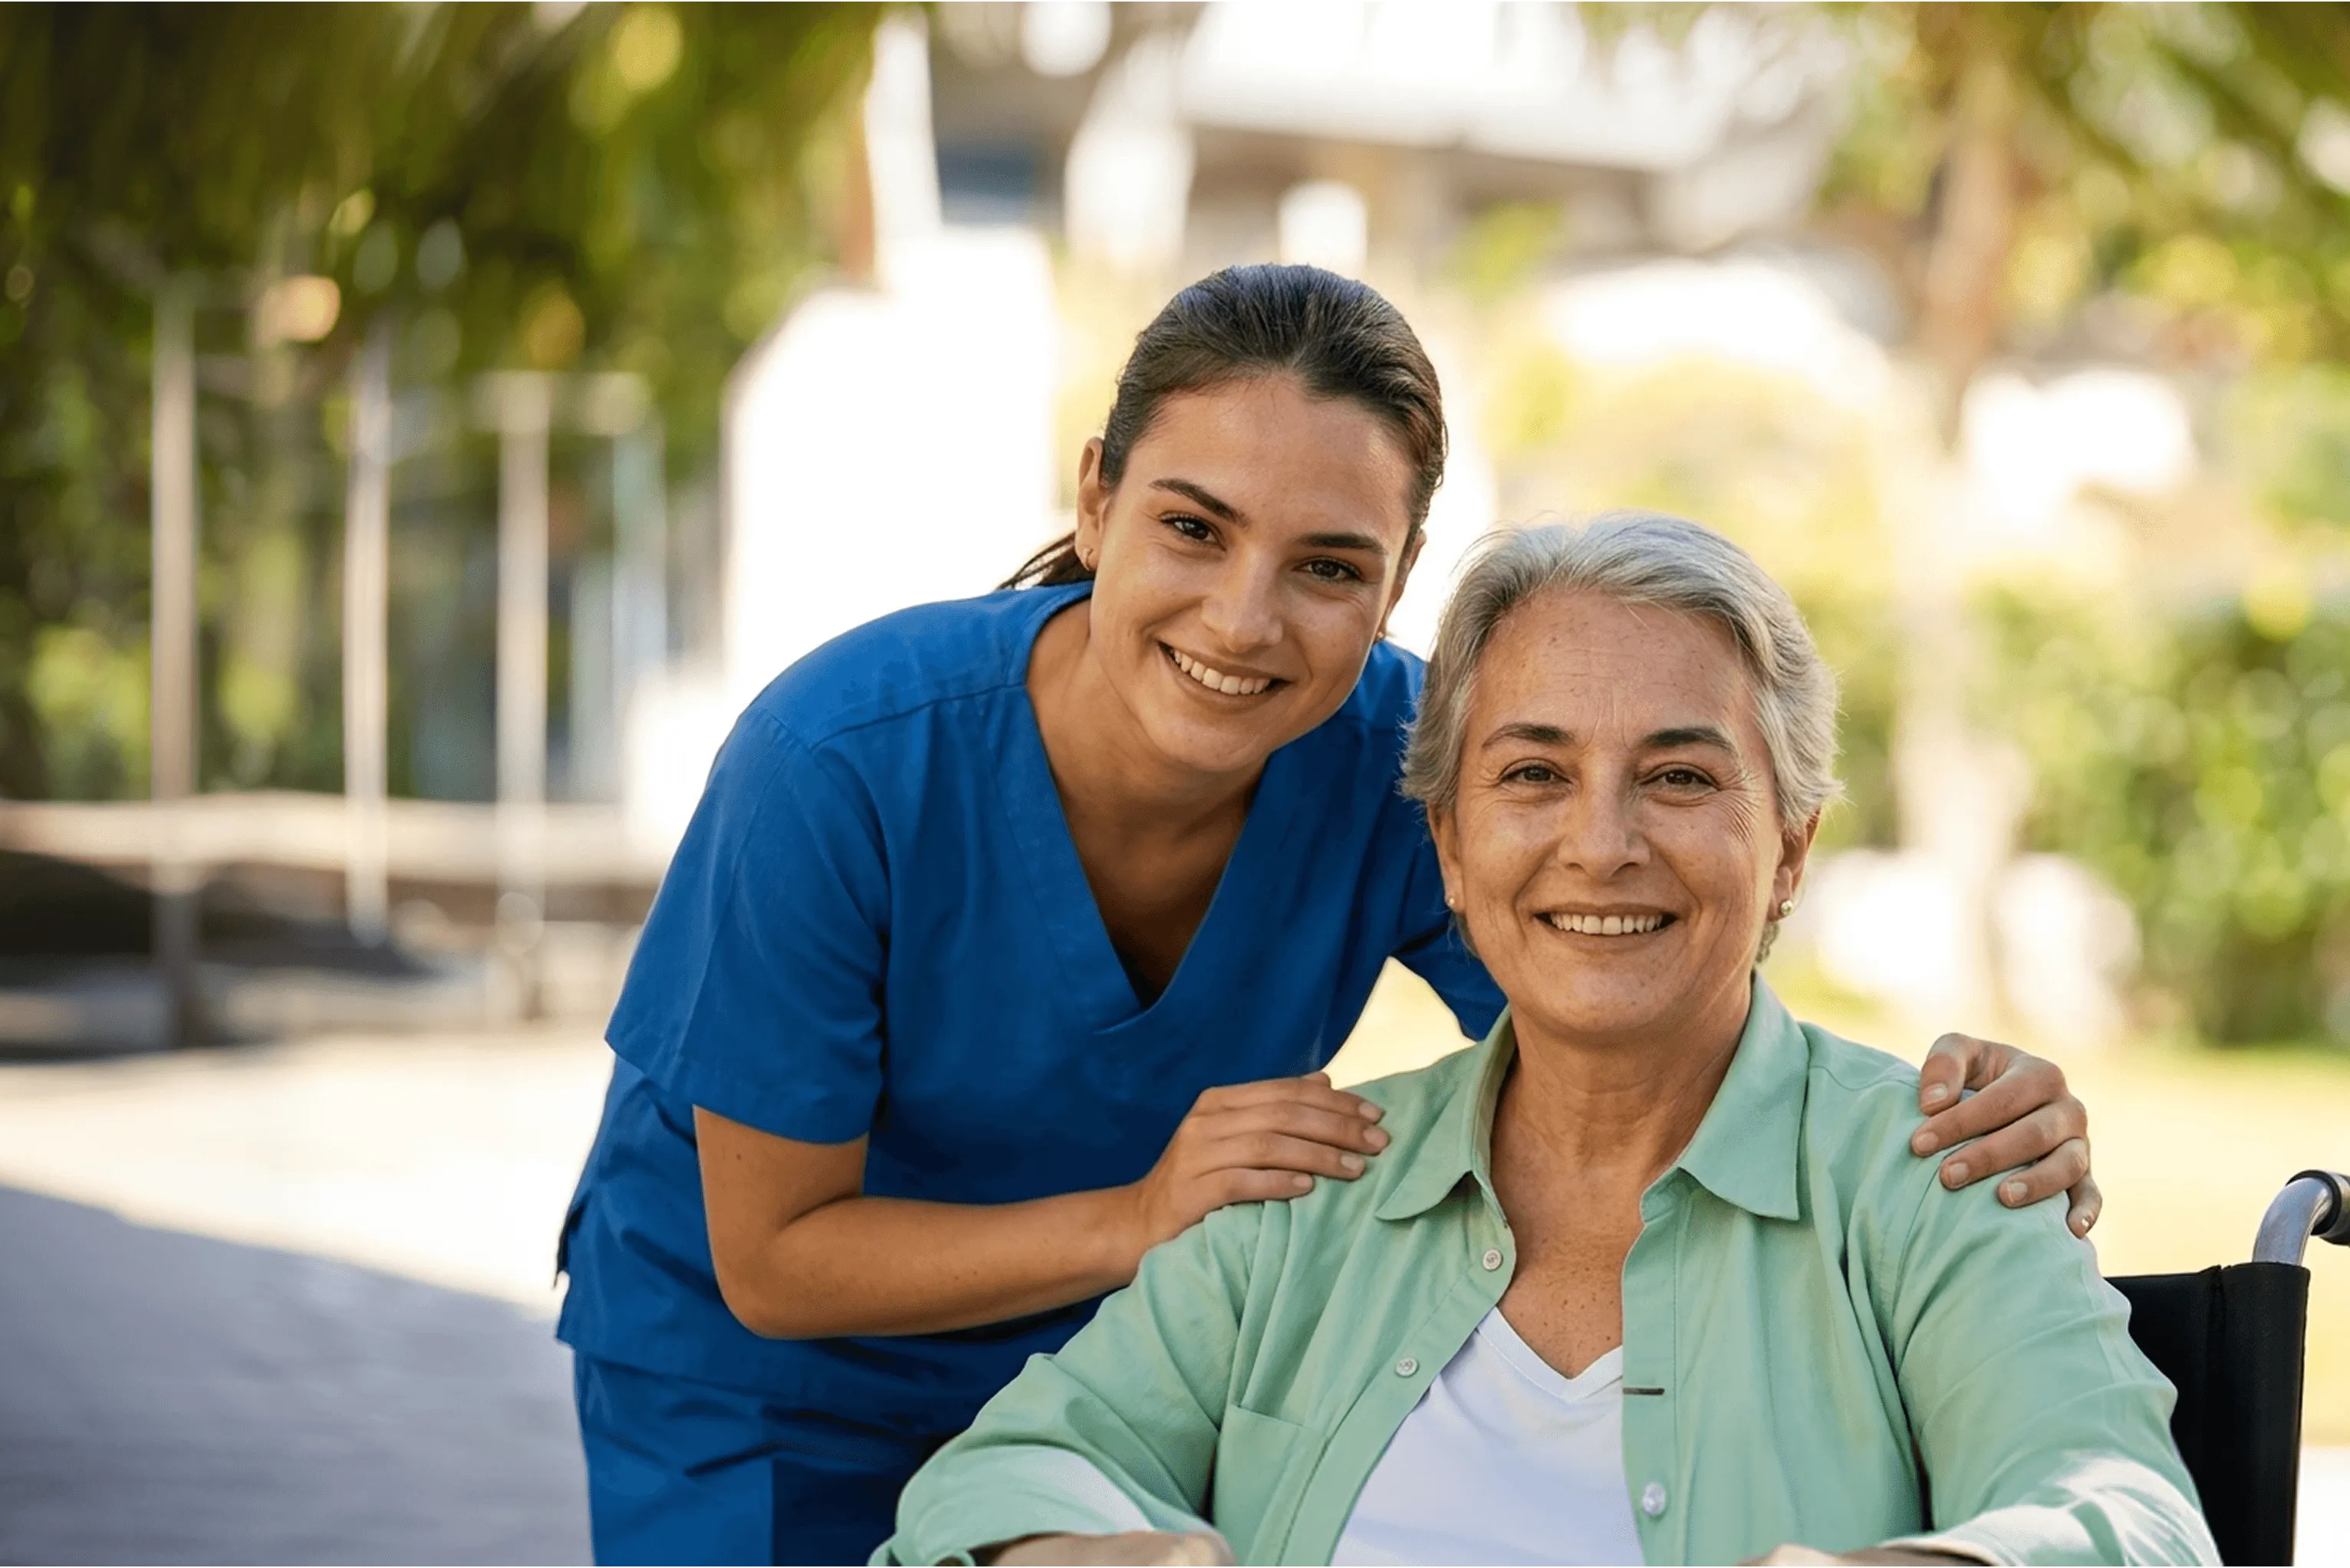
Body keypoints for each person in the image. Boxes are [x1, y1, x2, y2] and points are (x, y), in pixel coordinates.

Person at [555, 268, 2105, 1568]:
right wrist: (1140, 1216)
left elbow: (1622, 1016)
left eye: (1328, 565)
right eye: (1193, 528)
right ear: (1095, 499)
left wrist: (1925, 1141)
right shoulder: (843, 761)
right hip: (765, 1387)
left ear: (1400, 576)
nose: (1245, 617)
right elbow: (775, 1256)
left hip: (1117, 1359)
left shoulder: (1416, 763)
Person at [879, 514, 2211, 1568]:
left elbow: (2129, 1520)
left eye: (1681, 776)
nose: (1601, 842)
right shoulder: (1312, 1188)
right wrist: (1077, 1548)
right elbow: (1005, 1470)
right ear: (1450, 847)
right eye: (1531, 774)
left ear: (1790, 848)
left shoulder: (1931, 1176)